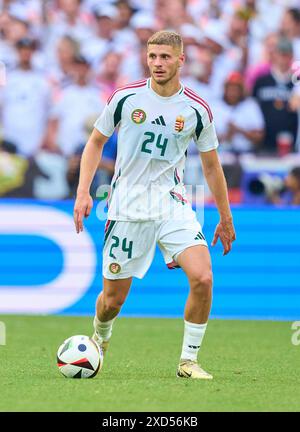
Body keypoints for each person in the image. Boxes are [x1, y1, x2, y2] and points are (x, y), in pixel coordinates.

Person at [73, 30, 235, 380]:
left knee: (203, 277)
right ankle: (100, 337)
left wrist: (224, 216)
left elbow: (211, 165)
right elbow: (96, 141)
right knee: (113, 300)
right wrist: (83, 191)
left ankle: (188, 361)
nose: (158, 63)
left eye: (165, 57)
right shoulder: (125, 97)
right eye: (152, 57)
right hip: (127, 206)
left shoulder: (196, 109)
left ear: (181, 60)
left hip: (172, 203)